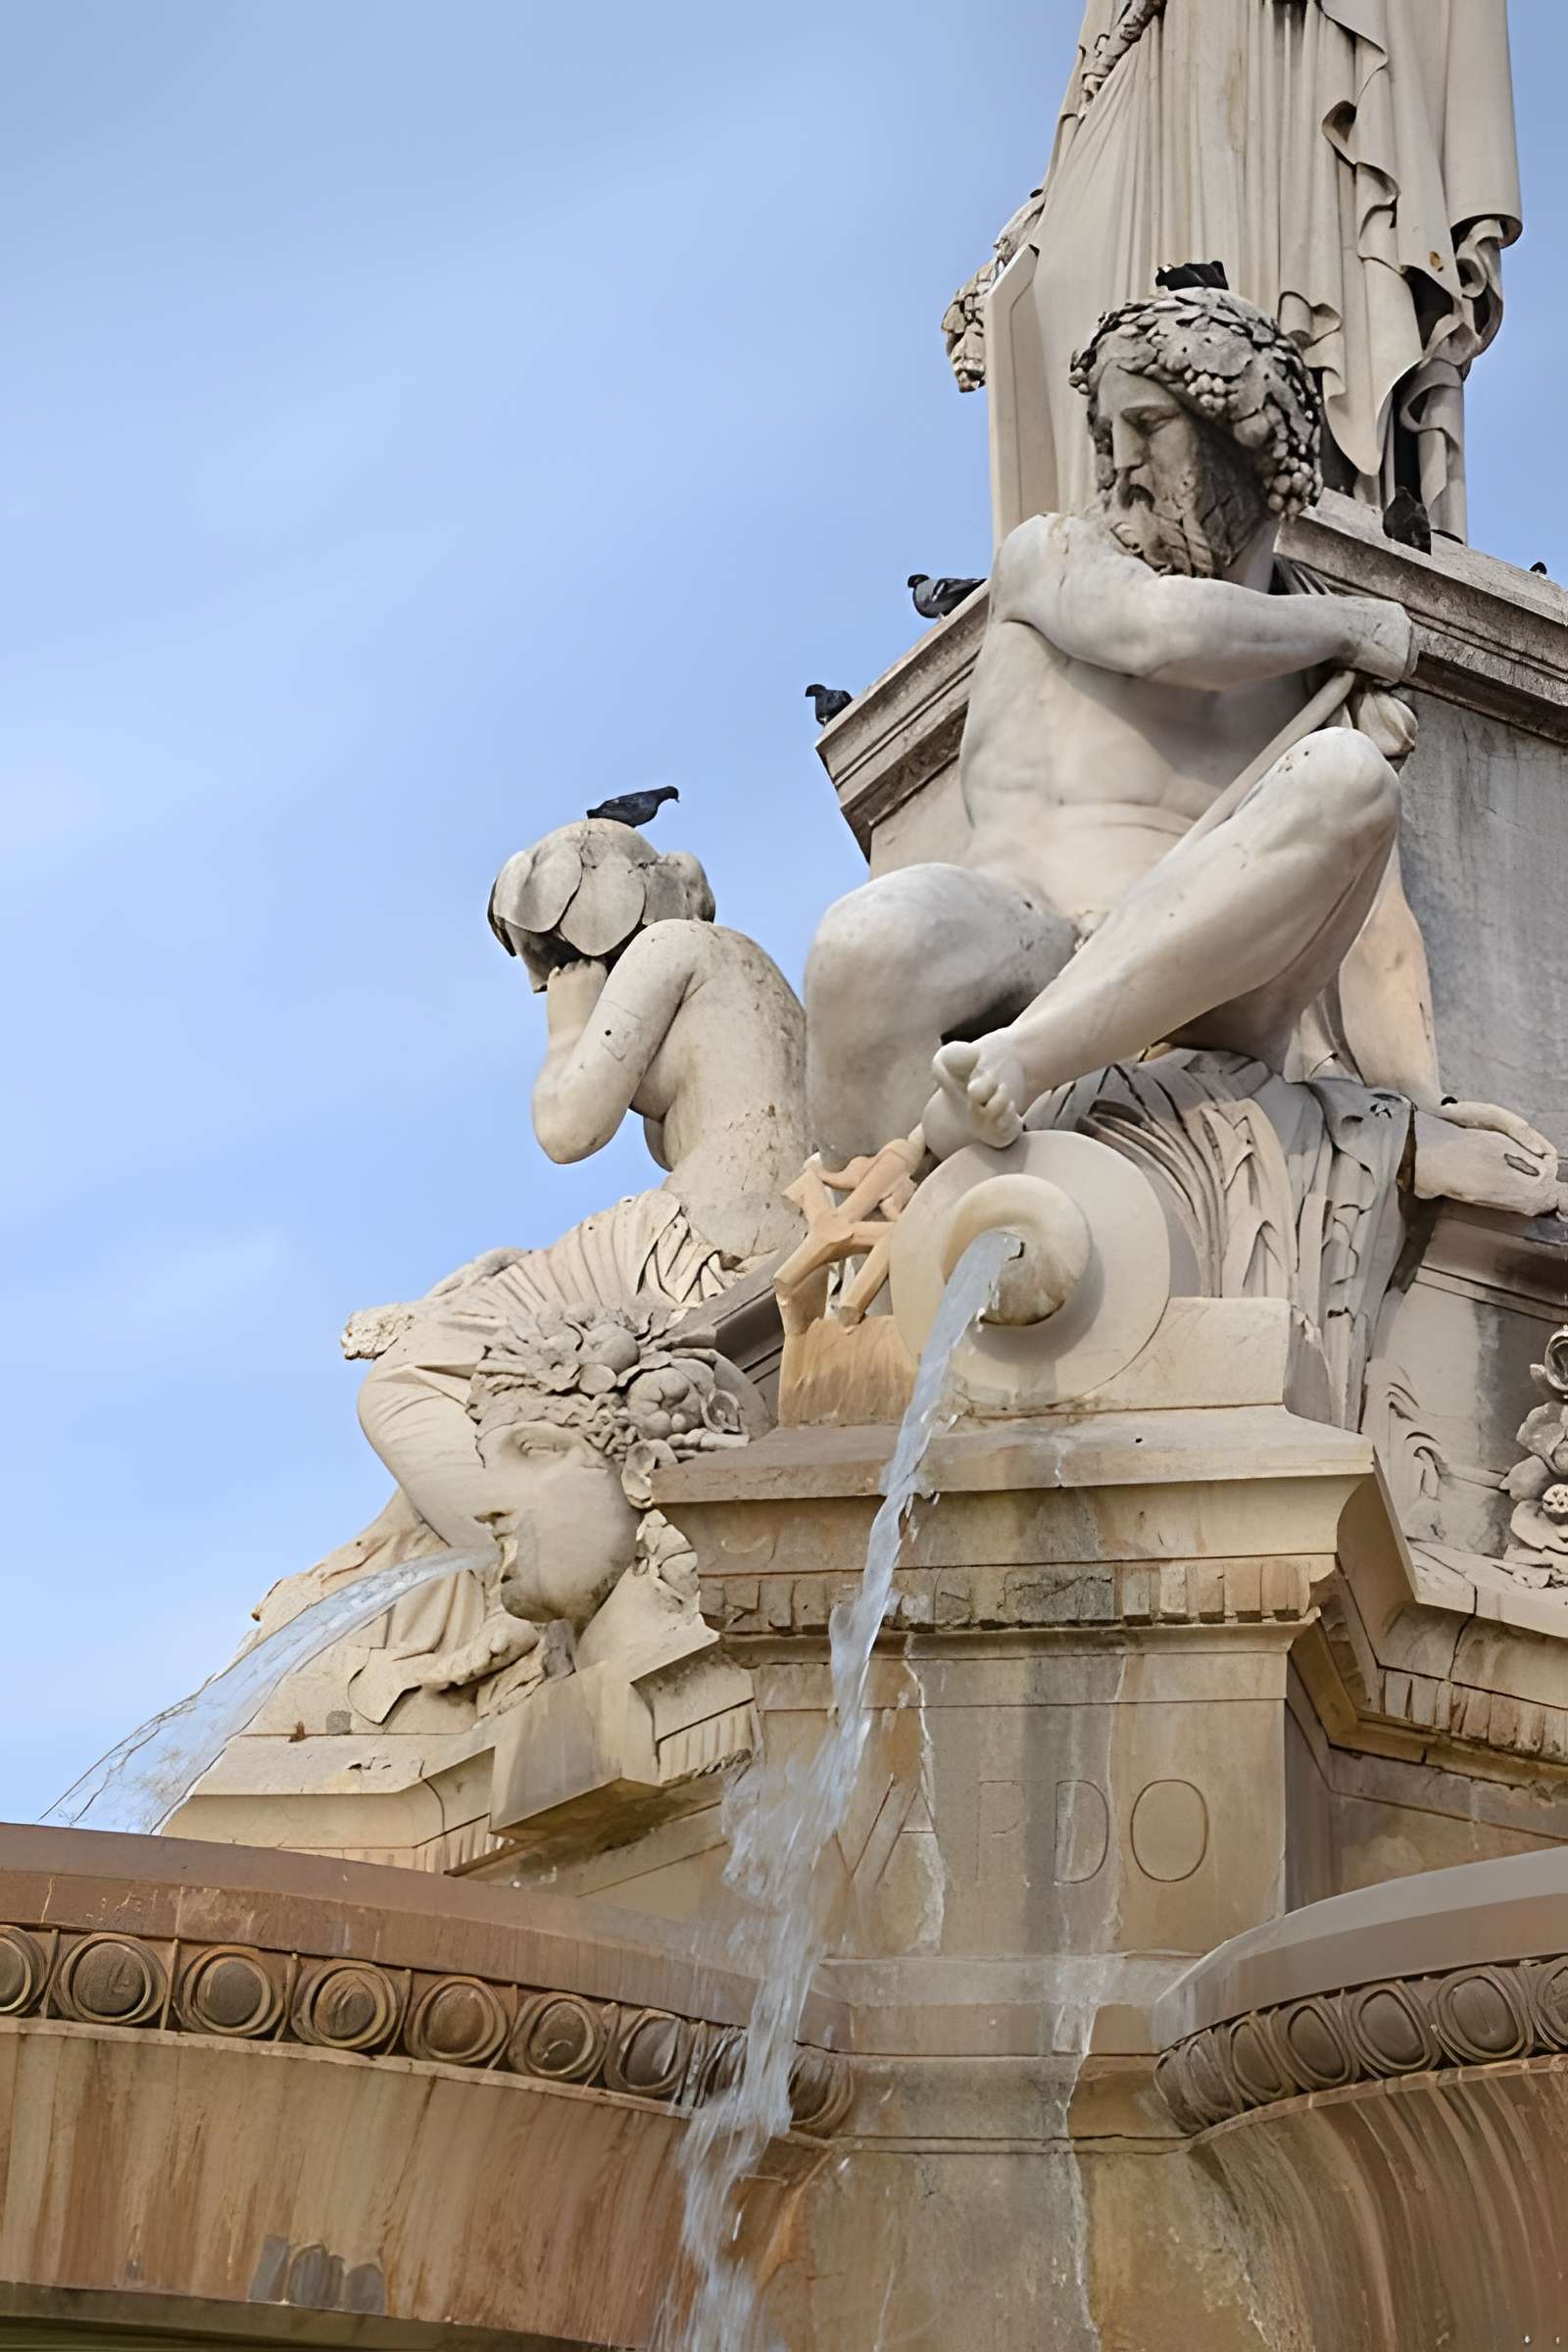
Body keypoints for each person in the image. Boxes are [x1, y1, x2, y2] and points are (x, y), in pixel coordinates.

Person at [806, 284, 1549, 1186]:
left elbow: (1376, 933)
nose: (1118, 466)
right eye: (1105, 434)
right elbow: (1160, 635)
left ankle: (1019, 1068)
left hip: (1206, 994)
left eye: (1147, 424)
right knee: (867, 938)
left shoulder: (1320, 681)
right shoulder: (1057, 556)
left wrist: (1420, 1108)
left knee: (1352, 777)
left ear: (1243, 435)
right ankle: (877, 1222)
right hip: (1028, 937)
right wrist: (1357, 626)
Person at [963, 0, 1520, 542]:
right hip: (1156, 71)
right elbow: (1091, 85)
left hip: (1285, 49)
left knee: (1272, 310)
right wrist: (1037, 224)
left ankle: (1290, 486)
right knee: (1104, 312)